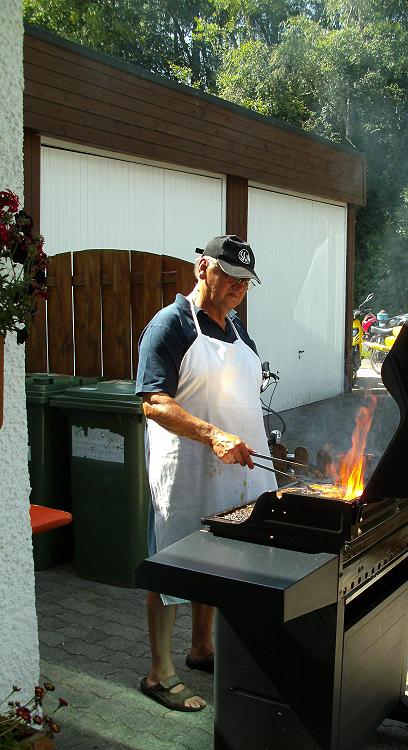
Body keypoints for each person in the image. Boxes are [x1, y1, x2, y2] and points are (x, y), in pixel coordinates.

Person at [136, 234, 276, 712]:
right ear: (202, 268)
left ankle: (202, 648)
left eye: (246, 281)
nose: (238, 287)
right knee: (173, 562)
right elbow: (154, 403)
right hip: (187, 468)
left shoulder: (237, 329)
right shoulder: (170, 325)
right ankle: (158, 673)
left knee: (218, 560)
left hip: (238, 470)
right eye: (230, 276)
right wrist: (213, 435)